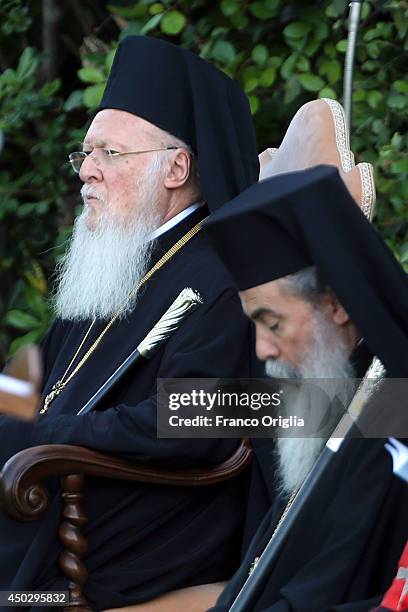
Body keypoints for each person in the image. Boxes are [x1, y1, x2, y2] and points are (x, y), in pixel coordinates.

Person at [0, 35, 260, 609]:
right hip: (45, 494)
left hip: (127, 535)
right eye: (86, 154)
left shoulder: (224, 277)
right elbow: (39, 376)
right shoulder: (115, 261)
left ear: (177, 168)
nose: (86, 171)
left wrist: (43, 436)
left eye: (109, 154)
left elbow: (197, 421)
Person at [204, 165, 408, 611]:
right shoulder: (328, 378)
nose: (261, 349)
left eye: (272, 323)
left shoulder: (393, 409)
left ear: (334, 305)